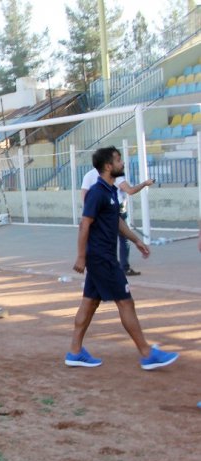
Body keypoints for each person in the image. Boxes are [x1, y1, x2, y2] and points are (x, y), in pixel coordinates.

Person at [66, 147, 178, 370]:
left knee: (89, 303)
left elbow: (116, 221)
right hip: (102, 259)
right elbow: (84, 224)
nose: (122, 163)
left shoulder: (110, 191)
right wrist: (81, 256)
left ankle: (75, 352)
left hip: (103, 258)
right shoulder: (97, 193)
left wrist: (136, 240)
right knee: (126, 302)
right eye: (118, 160)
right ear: (108, 166)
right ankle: (147, 353)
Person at [81, 155, 155, 276]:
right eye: (118, 160)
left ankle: (100, 267)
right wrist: (145, 183)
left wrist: (90, 211)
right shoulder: (114, 175)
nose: (122, 162)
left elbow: (84, 196)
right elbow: (130, 190)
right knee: (122, 238)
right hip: (115, 210)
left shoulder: (88, 175)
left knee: (101, 238)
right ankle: (122, 267)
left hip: (98, 212)